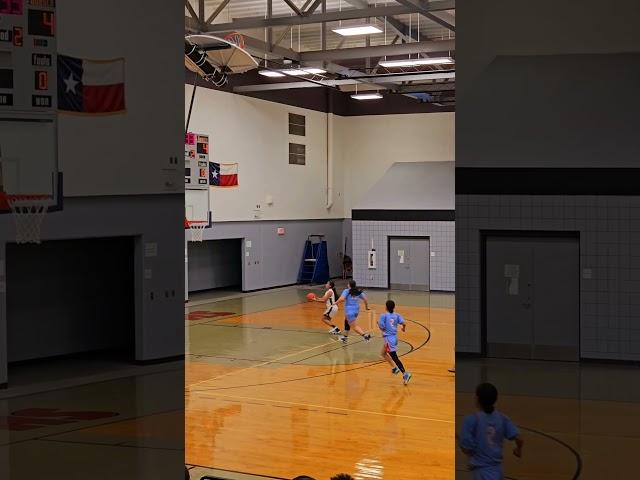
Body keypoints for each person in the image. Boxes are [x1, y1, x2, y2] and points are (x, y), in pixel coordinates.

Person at [459, 383, 524, 480]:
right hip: (497, 471)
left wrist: (459, 440)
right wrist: (518, 449)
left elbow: (467, 449)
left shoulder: (471, 420)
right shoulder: (502, 418)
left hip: (481, 473)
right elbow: (519, 438)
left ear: (477, 399)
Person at [378, 300, 412, 385]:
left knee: (394, 357)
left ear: (386, 307)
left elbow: (382, 327)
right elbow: (404, 323)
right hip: (394, 338)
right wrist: (403, 328)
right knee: (383, 353)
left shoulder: (383, 316)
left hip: (389, 340)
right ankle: (394, 368)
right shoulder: (397, 315)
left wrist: (378, 324)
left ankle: (405, 374)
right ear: (393, 307)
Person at [335, 279, 371, 343]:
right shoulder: (358, 291)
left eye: (348, 284)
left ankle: (365, 336)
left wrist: (336, 303)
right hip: (356, 310)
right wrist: (366, 307)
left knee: (354, 326)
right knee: (346, 321)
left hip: (349, 311)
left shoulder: (347, 291)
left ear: (349, 285)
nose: (347, 285)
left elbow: (342, 298)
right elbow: (365, 299)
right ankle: (345, 338)